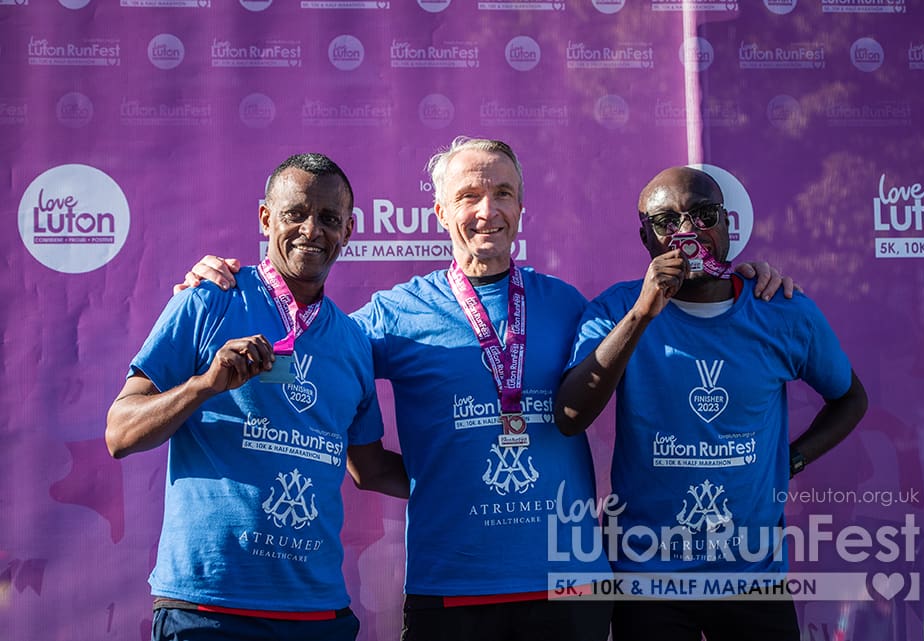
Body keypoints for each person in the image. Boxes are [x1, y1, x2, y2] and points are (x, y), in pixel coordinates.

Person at [178, 138, 795, 641]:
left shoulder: (570, 305)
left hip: (569, 586)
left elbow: (681, 326)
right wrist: (223, 287)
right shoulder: (392, 315)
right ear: (440, 213)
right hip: (450, 590)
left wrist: (741, 278)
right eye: (468, 195)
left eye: (502, 193)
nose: (487, 210)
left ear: (521, 208)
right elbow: (308, 352)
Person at [554, 166, 869, 641]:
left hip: (753, 577)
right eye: (666, 221)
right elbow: (569, 416)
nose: (688, 231)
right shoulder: (616, 309)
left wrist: (791, 460)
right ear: (646, 239)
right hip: (647, 578)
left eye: (703, 214)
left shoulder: (782, 311)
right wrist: (642, 313)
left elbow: (850, 399)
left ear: (726, 223)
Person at [106, 153, 408, 641]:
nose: (312, 230)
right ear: (266, 218)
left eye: (329, 218)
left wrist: (465, 483)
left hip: (318, 614)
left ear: (349, 230)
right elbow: (119, 434)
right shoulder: (208, 298)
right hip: (209, 610)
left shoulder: (353, 341)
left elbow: (369, 469)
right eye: (296, 214)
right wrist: (205, 384)